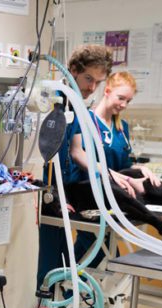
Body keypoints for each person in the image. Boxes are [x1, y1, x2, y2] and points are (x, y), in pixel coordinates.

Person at [37, 45, 114, 287]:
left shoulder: (79, 107)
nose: (92, 88)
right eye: (88, 78)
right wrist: (54, 194)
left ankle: (63, 307)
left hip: (67, 190)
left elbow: (76, 151)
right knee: (49, 256)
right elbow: (39, 156)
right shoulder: (50, 102)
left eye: (98, 82)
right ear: (72, 71)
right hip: (46, 192)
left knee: (64, 256)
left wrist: (110, 174)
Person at [68, 71, 161, 266]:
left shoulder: (121, 127)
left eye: (128, 101)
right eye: (121, 98)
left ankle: (70, 287)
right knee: (98, 250)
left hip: (115, 199)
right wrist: (112, 175)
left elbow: (123, 165)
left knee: (101, 252)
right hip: (90, 197)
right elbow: (78, 155)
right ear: (107, 91)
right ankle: (66, 288)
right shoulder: (85, 120)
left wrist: (141, 169)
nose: (124, 105)